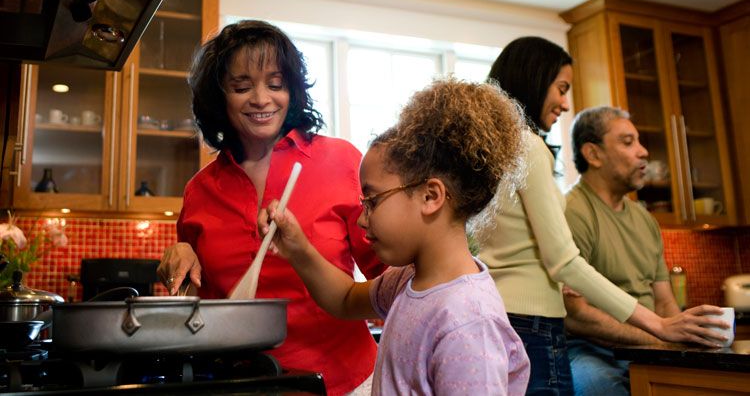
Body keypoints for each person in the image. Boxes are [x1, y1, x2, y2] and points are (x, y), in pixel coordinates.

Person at [475, 36, 727, 395]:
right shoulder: (529, 148)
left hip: (502, 317)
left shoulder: (492, 150)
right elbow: (563, 262)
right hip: (535, 324)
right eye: (561, 88)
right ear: (533, 79)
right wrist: (658, 325)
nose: (565, 103)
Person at [156, 20, 386, 396]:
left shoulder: (341, 161)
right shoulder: (200, 190)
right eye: (242, 86)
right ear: (220, 97)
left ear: (292, 91)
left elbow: (389, 277)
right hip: (239, 384)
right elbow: (199, 304)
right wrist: (181, 255)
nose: (261, 99)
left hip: (344, 382)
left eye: (275, 84)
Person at [262, 80, 531, 395]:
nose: (362, 219)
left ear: (430, 197)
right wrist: (298, 248)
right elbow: (345, 299)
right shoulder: (407, 281)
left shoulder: (468, 321)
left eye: (372, 201)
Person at [563, 106, 727, 396]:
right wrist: (660, 338)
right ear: (593, 154)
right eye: (628, 142)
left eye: (638, 141)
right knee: (597, 387)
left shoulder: (645, 219)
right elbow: (575, 315)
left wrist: (679, 337)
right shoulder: (572, 211)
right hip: (593, 351)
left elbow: (664, 302)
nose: (643, 152)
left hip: (651, 345)